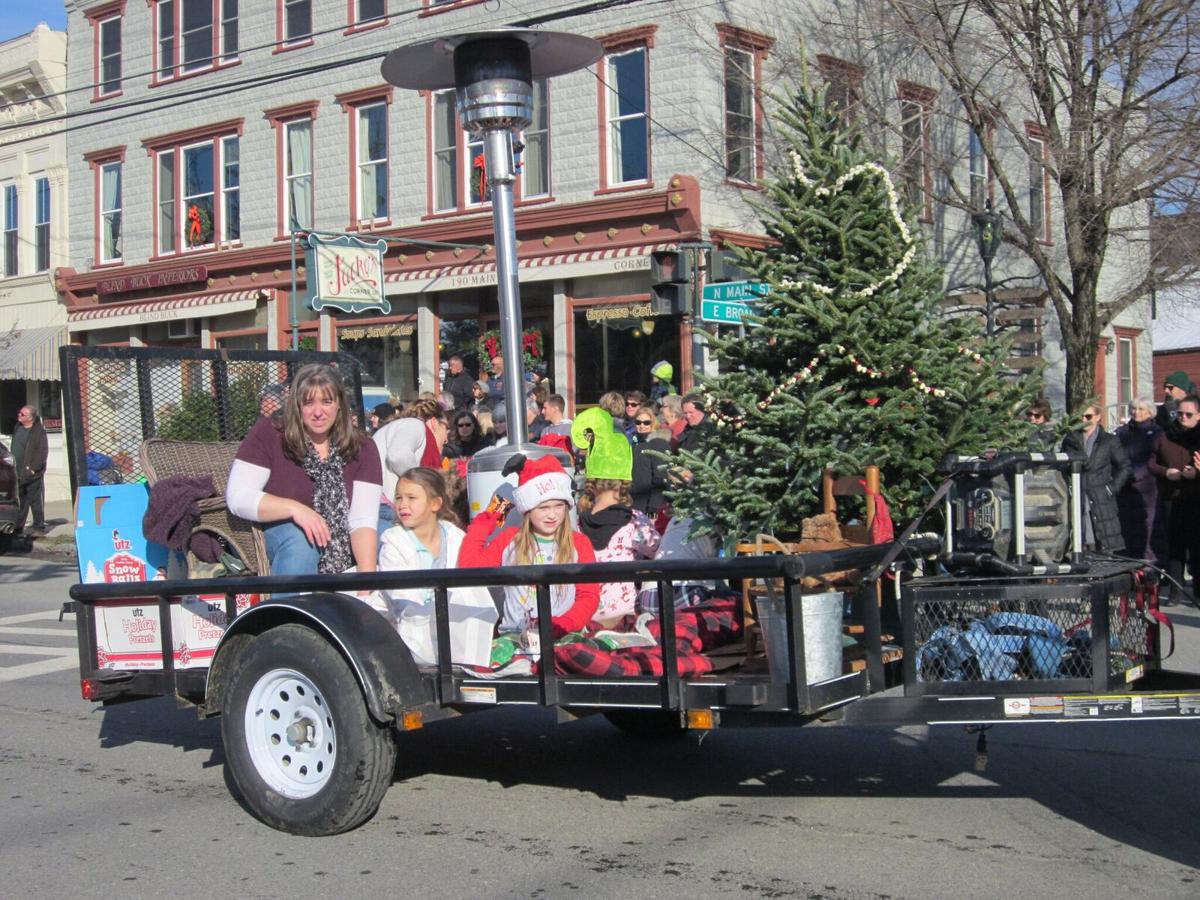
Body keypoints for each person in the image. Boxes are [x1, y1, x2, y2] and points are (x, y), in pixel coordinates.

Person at [226, 364, 382, 575]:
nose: (318, 412)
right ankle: (288, 608)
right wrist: (295, 509)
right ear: (297, 405)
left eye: (327, 402)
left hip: (342, 533)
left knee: (394, 538)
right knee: (302, 542)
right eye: (308, 403)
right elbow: (239, 497)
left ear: (339, 405)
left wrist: (366, 583)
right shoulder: (270, 433)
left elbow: (362, 520)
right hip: (277, 531)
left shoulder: (363, 447)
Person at [459, 454, 599, 636]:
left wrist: (564, 624)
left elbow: (589, 595)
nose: (552, 515)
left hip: (564, 633)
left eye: (559, 506)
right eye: (543, 507)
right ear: (528, 509)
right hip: (514, 636)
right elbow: (469, 569)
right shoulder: (510, 539)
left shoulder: (579, 542)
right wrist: (489, 518)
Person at [372, 467, 496, 667]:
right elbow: (402, 599)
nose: (403, 505)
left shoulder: (454, 536)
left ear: (435, 503)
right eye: (398, 498)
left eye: (412, 498)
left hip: (449, 621)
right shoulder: (393, 541)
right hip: (407, 626)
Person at [572, 408, 661, 626]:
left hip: (588, 613)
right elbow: (656, 547)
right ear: (624, 483)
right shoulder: (633, 521)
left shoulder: (578, 522)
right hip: (624, 614)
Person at [1149, 394, 1200, 605]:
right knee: (1175, 546)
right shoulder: (1166, 435)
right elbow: (1151, 462)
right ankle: (1175, 591)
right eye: (1180, 413)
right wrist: (1165, 472)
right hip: (1172, 496)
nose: (1183, 418)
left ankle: (1198, 592)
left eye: (1188, 414)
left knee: (1197, 546)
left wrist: (1197, 473)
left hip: (1196, 497)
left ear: (1198, 415)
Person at [373, 397, 449, 534]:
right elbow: (398, 455)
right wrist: (424, 485)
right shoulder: (415, 425)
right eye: (446, 427)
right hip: (386, 509)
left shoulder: (400, 427)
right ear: (434, 422)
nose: (447, 438)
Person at [1060, 404, 1131, 553]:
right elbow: (1062, 466)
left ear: (1098, 417)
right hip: (1077, 498)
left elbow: (1125, 467)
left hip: (1101, 498)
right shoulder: (1070, 440)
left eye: (1088, 416)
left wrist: (1111, 488)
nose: (1084, 420)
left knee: (1104, 546)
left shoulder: (1109, 441)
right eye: (1081, 417)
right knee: (1080, 545)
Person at [1115, 398, 1164, 561]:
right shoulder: (1122, 432)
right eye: (1134, 408)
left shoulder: (1156, 432)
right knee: (1127, 528)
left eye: (1142, 409)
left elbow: (1153, 459)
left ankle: (1150, 568)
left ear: (1150, 412)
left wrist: (1134, 475)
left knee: (1147, 529)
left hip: (1147, 488)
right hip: (1124, 487)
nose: (1137, 412)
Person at [13, 405, 48, 537]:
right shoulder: (18, 428)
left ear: (30, 417)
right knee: (21, 500)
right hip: (18, 471)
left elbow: (42, 452)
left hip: (32, 472)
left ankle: (39, 526)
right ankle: (18, 526)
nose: (19, 415)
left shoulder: (38, 431)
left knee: (35, 500)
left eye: (22, 414)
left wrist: (34, 469)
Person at [630, 406, 671, 516]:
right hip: (635, 502)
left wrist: (654, 507)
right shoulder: (635, 444)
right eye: (638, 422)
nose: (642, 425)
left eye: (646, 422)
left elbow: (661, 477)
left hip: (649, 503)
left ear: (652, 423)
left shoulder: (658, 443)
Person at [1157, 371, 1195, 435]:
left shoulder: (1195, 408)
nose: (1166, 391)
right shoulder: (1160, 411)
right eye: (1165, 387)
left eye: (1170, 388)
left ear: (1183, 389)